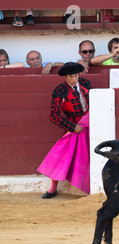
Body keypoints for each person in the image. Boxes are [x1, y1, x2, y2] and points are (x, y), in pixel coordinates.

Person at [38, 62, 91, 199]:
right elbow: (53, 115)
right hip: (73, 126)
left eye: (76, 75)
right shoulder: (60, 90)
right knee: (61, 155)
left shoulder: (85, 83)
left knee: (90, 155)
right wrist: (73, 127)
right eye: (71, 77)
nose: (74, 79)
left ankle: (92, 186)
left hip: (90, 123)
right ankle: (53, 188)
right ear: (65, 77)